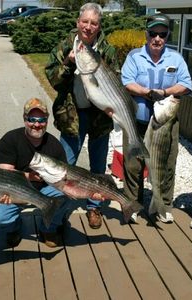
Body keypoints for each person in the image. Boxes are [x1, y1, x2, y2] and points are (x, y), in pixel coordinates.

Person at [45, 2, 120, 230]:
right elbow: (53, 80)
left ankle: (93, 207)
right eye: (85, 22)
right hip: (71, 117)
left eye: (93, 23)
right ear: (78, 22)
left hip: (99, 119)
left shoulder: (107, 50)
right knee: (65, 168)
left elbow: (115, 83)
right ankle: (57, 216)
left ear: (99, 26)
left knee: (98, 168)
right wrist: (68, 63)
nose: (88, 27)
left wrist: (113, 107)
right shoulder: (65, 45)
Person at [120, 13, 192, 223]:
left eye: (162, 34)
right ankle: (133, 204)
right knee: (133, 164)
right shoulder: (134, 56)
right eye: (153, 34)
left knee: (166, 164)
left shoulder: (176, 58)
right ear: (147, 34)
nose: (157, 39)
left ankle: (163, 205)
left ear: (168, 35)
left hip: (166, 124)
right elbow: (126, 81)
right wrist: (145, 92)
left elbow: (186, 84)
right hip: (137, 123)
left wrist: (164, 91)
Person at [0, 98, 71, 248]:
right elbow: (5, 175)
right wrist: (30, 176)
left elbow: (63, 177)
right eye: (32, 119)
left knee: (66, 194)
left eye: (41, 120)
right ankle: (14, 227)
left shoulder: (55, 146)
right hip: (13, 191)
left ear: (47, 121)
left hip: (45, 190)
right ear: (25, 119)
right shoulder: (10, 140)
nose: (37, 124)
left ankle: (48, 228)